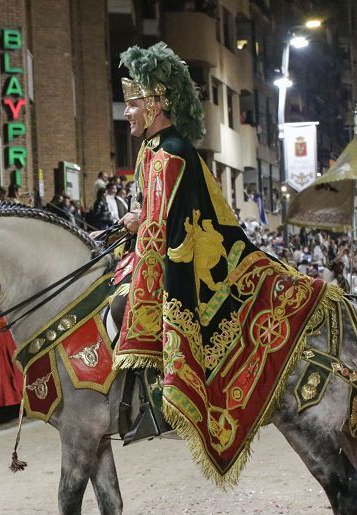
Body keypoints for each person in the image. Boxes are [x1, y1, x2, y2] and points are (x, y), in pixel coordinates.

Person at [111, 42, 332, 478]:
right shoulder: (153, 150)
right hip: (164, 250)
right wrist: (136, 223)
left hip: (189, 261)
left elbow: (162, 229)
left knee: (123, 306)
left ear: (155, 104)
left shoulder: (171, 153)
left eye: (133, 104)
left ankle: (160, 403)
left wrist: (140, 225)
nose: (127, 113)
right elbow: (155, 216)